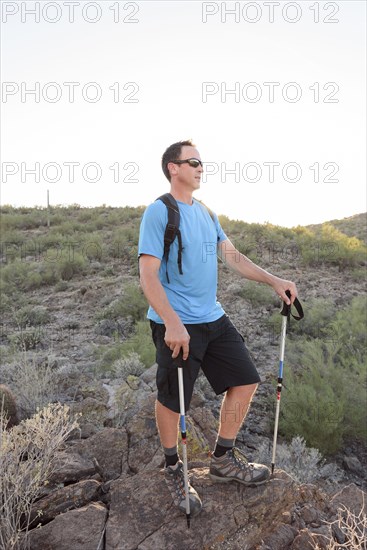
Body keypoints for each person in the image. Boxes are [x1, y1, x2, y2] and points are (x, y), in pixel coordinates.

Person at [138, 139, 298, 517]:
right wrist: (173, 322)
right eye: (192, 161)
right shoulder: (159, 211)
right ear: (173, 168)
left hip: (212, 317)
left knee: (246, 381)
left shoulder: (207, 213)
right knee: (172, 400)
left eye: (201, 162)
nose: (199, 167)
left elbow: (233, 258)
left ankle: (223, 459)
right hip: (175, 324)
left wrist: (274, 280)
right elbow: (147, 274)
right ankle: (173, 468)